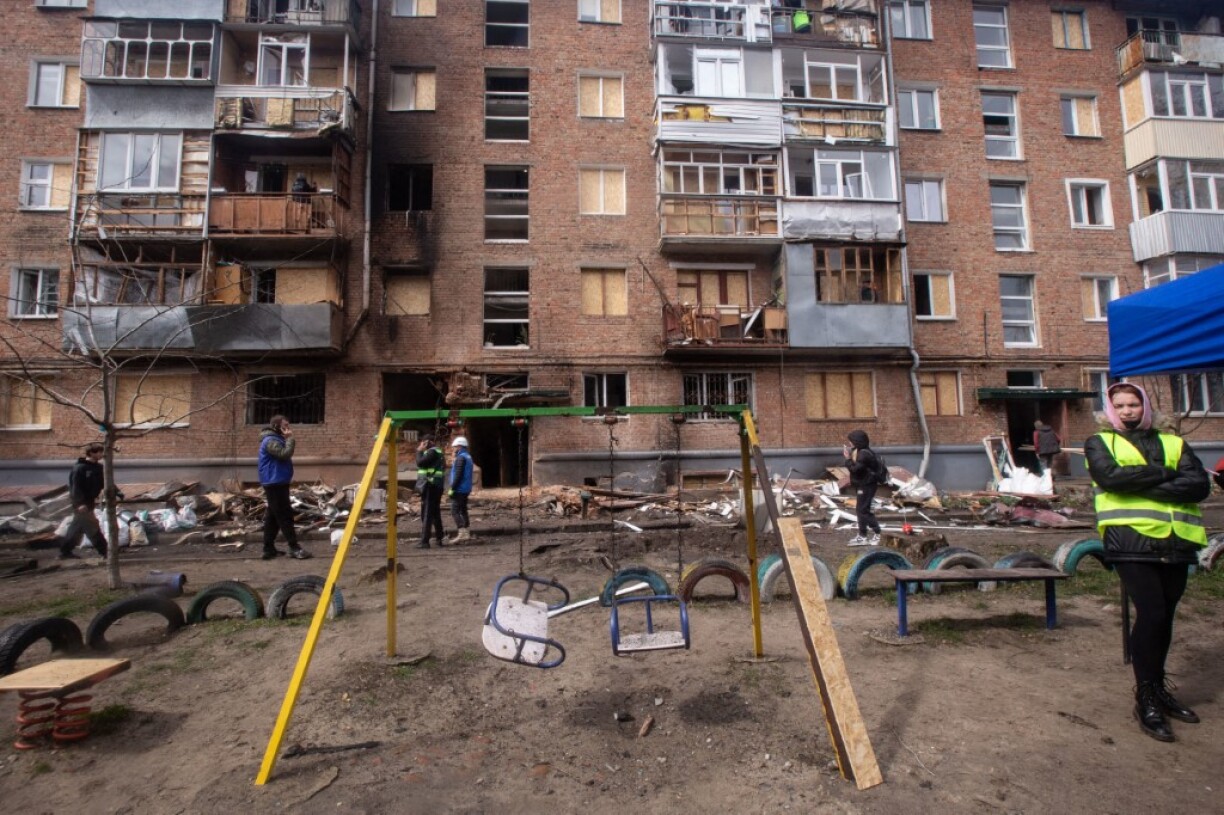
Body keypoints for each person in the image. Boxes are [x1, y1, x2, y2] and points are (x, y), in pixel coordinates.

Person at [1085, 382, 1209, 743]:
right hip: (1130, 542)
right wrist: (1168, 474)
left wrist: (1137, 481)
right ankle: (1146, 698)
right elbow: (1110, 479)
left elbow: (1198, 485)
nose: (1127, 411)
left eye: (1133, 404)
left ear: (1145, 406)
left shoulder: (1174, 443)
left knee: (1165, 616)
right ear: (1110, 410)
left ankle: (1158, 689)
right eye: (1119, 405)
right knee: (1151, 613)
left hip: (1177, 541)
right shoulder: (1100, 443)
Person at [258, 415, 312, 561]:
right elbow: (284, 454)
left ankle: (268, 549)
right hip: (274, 482)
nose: (288, 428)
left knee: (273, 516)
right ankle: (294, 547)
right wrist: (290, 439)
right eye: (285, 426)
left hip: (277, 480)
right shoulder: (270, 441)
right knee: (284, 515)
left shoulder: (275, 439)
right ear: (276, 426)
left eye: (288, 425)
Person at [56, 443, 109, 560]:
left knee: (76, 528)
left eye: (102, 451)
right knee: (92, 527)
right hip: (81, 504)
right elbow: (75, 487)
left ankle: (65, 551)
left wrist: (116, 492)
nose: (101, 454)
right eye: (99, 452)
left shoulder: (98, 468)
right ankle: (105, 551)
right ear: (91, 453)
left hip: (89, 502)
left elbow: (106, 481)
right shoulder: (80, 468)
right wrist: (79, 504)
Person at [843, 430, 882, 546]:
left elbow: (855, 469)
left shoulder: (864, 454)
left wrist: (847, 459)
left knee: (863, 510)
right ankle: (862, 535)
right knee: (861, 510)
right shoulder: (860, 451)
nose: (849, 443)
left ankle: (877, 533)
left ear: (857, 441)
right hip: (863, 484)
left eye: (851, 441)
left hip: (867, 485)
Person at [415, 433, 446, 549]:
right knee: (435, 513)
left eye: (423, 442)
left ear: (427, 442)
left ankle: (424, 541)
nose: (421, 444)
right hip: (435, 485)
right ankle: (439, 537)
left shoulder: (432, 452)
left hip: (430, 485)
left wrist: (419, 451)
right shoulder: (438, 452)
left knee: (427, 513)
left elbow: (420, 462)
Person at [448, 436, 474, 542]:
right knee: (463, 510)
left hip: (460, 488)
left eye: (454, 447)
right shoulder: (468, 456)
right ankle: (467, 531)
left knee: (454, 511)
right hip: (466, 488)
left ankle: (462, 532)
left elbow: (458, 474)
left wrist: (452, 488)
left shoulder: (460, 458)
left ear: (459, 446)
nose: (453, 449)